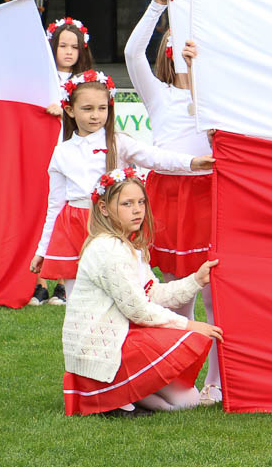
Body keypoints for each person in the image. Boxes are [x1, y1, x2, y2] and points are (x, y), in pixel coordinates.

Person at [30, 71, 214, 300]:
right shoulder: (61, 152)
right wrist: (42, 250)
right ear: (69, 110)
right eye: (87, 109)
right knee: (79, 297)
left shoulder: (119, 142)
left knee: (125, 292)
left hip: (114, 224)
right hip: (74, 227)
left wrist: (192, 162)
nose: (95, 115)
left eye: (102, 108)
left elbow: (155, 157)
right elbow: (54, 206)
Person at [124, 0, 222, 405]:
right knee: (175, 295)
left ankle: (216, 381)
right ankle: (178, 380)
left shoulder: (213, 98)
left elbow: (211, 123)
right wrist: (156, 7)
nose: (181, 51)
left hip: (207, 196)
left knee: (214, 294)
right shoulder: (158, 95)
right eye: (175, 43)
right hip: (168, 196)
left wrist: (201, 72)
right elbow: (132, 54)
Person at [62, 168, 223, 417]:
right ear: (104, 208)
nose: (137, 210)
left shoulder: (128, 246)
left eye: (141, 202)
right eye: (127, 204)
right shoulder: (108, 249)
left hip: (124, 338)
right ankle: (110, 394)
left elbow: (153, 293)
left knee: (188, 400)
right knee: (188, 356)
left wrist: (196, 280)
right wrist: (189, 325)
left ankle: (126, 394)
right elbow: (138, 310)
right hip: (103, 349)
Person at [29, 18, 96, 305]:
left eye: (74, 47)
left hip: (72, 154)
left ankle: (61, 282)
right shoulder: (39, 77)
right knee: (41, 212)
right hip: (41, 152)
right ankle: (39, 282)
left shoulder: (88, 81)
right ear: (52, 47)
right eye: (62, 46)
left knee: (65, 215)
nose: (68, 52)